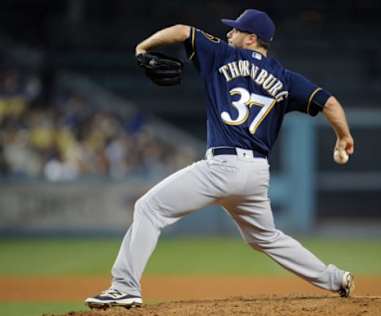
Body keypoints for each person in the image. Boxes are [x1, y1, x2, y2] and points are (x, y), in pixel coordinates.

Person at [85, 9, 355, 309]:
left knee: (148, 208)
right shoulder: (286, 78)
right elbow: (328, 102)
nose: (229, 34)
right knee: (265, 237)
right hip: (255, 174)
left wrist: (142, 48)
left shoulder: (222, 54)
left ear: (251, 38)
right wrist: (343, 137)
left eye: (236, 30)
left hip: (223, 166)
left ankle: (124, 287)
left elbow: (181, 30)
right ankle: (334, 279)